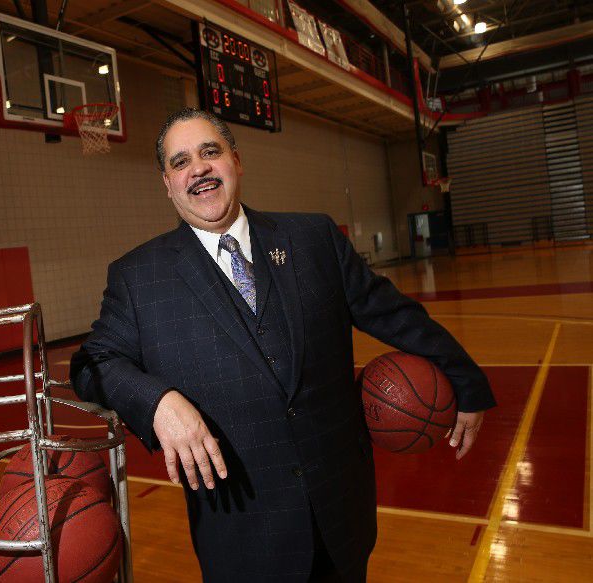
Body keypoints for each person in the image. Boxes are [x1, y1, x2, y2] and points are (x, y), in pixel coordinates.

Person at [70, 108, 496, 582]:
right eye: (181, 161)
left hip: (340, 514)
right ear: (167, 183)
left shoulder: (313, 238)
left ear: (236, 159)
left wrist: (465, 380)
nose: (199, 169)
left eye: (211, 152)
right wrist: (157, 404)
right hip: (241, 535)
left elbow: (394, 315)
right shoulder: (138, 276)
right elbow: (92, 363)